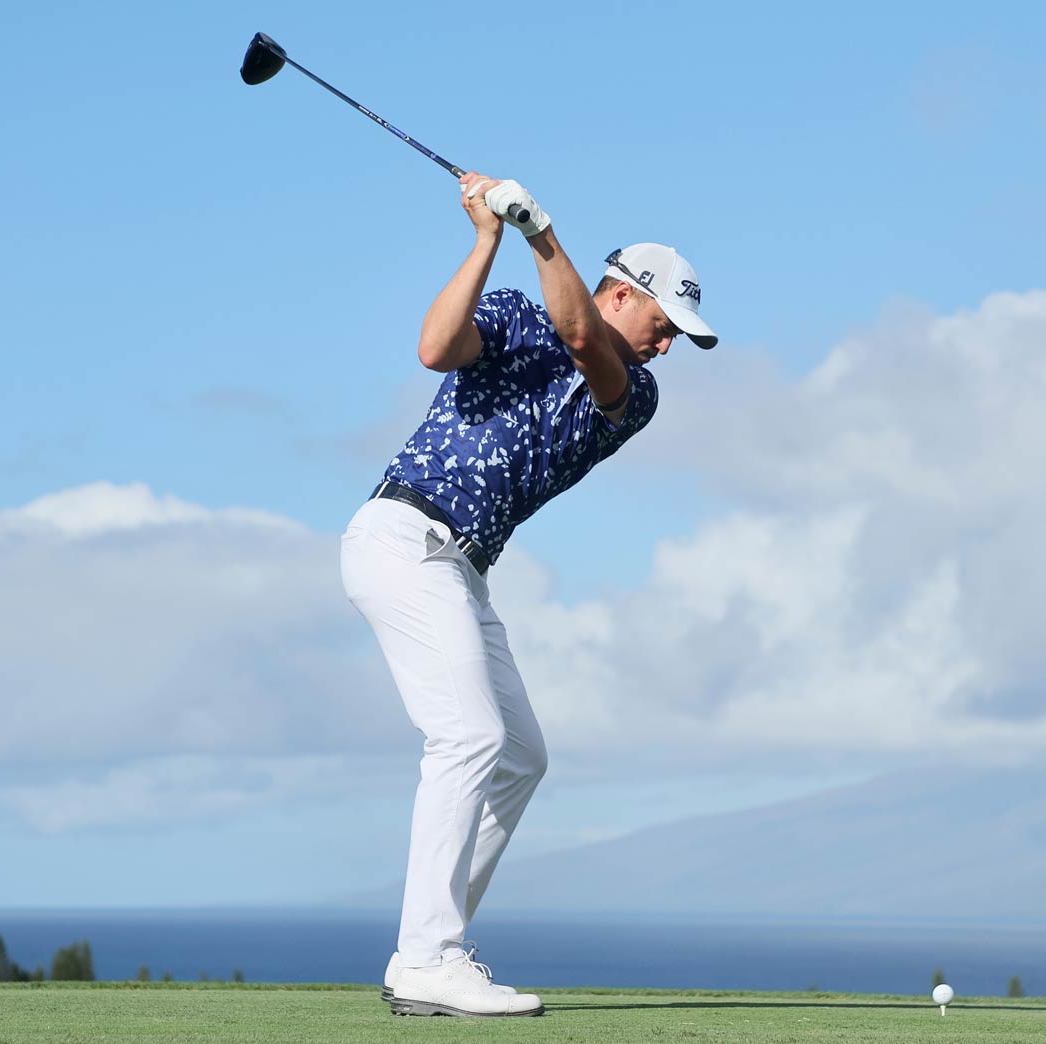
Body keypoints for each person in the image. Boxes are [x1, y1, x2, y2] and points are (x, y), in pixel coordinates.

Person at [339, 173, 717, 1017]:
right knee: (469, 735)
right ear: (624, 292)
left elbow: (585, 340)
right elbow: (436, 350)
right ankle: (431, 954)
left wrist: (543, 230)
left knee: (519, 755)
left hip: (461, 569)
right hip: (403, 536)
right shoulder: (511, 310)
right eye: (662, 327)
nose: (664, 350)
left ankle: (424, 951)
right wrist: (489, 240)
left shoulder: (634, 394)